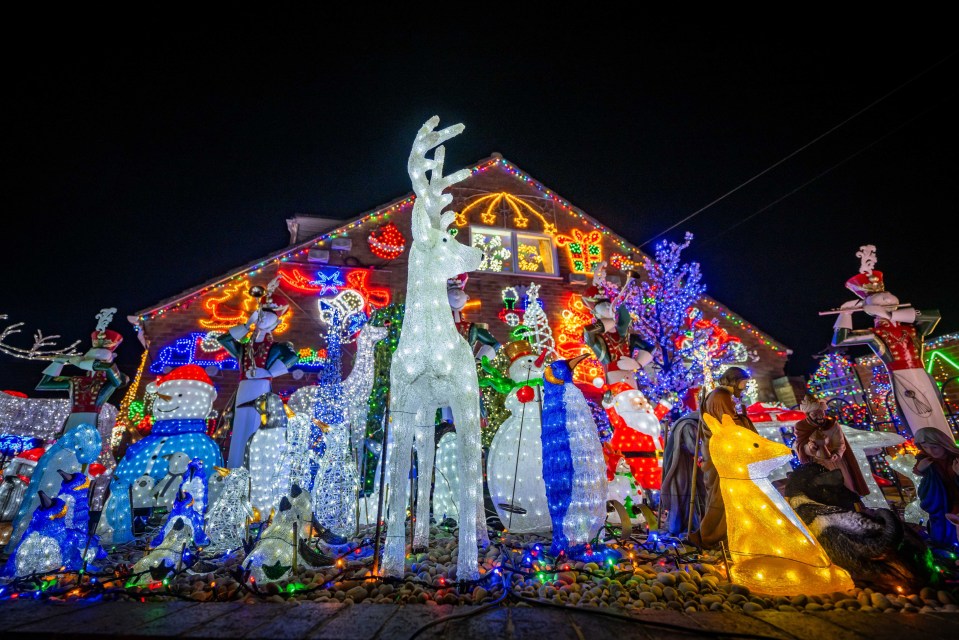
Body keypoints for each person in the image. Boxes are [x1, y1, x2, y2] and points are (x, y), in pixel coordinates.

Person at [832, 245, 952, 443]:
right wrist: (845, 314)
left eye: (885, 293)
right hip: (902, 376)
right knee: (918, 417)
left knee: (937, 411)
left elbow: (934, 316)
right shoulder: (875, 334)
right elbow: (840, 339)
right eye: (879, 298)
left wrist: (892, 314)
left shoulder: (911, 329)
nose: (886, 297)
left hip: (921, 373)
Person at [686, 366, 756, 550]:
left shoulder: (719, 396)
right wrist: (744, 421)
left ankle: (719, 536)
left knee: (723, 497)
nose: (744, 386)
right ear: (734, 380)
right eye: (743, 382)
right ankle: (710, 537)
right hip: (722, 454)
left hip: (720, 453)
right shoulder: (721, 396)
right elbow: (729, 427)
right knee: (721, 497)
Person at [792, 395, 870, 498]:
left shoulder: (832, 425)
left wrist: (837, 454)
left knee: (846, 488)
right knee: (828, 492)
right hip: (818, 464)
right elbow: (800, 446)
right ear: (808, 414)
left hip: (837, 462)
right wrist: (810, 448)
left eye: (821, 412)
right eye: (815, 414)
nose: (820, 416)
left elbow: (841, 444)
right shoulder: (801, 427)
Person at [912, 428, 959, 549]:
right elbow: (922, 475)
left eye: (934, 447)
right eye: (926, 447)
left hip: (957, 498)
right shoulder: (925, 459)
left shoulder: (956, 457)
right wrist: (920, 469)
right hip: (940, 501)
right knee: (943, 528)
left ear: (943, 443)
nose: (930, 451)